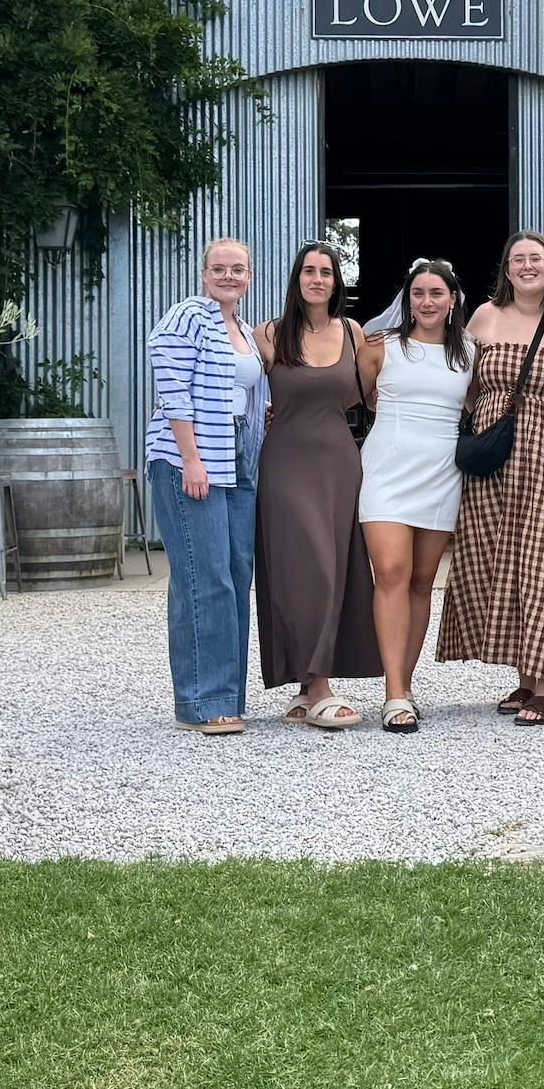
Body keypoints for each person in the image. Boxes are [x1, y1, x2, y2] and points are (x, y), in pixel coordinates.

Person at [437, 228, 544, 725]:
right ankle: (526, 678)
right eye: (518, 259)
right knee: (497, 558)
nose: (527, 266)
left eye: (536, 259)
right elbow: (460, 381)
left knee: (542, 559)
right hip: (493, 457)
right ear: (507, 270)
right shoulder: (484, 316)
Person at [253, 241, 382, 728]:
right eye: (309, 271)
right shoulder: (268, 334)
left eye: (326, 272)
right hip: (285, 464)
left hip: (338, 464)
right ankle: (321, 684)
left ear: (335, 282)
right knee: (306, 569)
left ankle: (308, 689)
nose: (317, 279)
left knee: (335, 569)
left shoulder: (353, 332)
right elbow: (241, 388)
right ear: (297, 279)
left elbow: (373, 396)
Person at [145, 238, 267, 736]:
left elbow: (237, 390)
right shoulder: (189, 316)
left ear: (249, 276)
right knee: (205, 576)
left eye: (237, 269)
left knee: (236, 574)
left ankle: (226, 697)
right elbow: (172, 386)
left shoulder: (243, 329)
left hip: (236, 457)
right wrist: (191, 459)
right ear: (203, 273)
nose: (228, 276)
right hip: (191, 458)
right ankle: (201, 703)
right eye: (219, 268)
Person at [355, 257, 472, 733]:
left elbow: (478, 403)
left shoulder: (469, 352)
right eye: (418, 293)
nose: (426, 301)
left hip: (442, 474)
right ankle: (394, 695)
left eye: (436, 293)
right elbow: (356, 397)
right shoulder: (380, 346)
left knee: (423, 581)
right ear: (407, 299)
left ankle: (404, 682)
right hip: (387, 471)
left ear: (452, 300)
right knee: (390, 573)